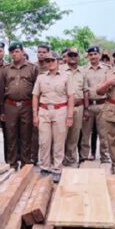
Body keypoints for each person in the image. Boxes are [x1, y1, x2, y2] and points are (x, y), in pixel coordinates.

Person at [33, 52, 74, 182]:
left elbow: (71, 97)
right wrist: (35, 114)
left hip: (60, 110)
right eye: (47, 61)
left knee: (59, 142)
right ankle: (45, 167)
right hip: (44, 110)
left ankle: (57, 169)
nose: (50, 63)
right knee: (44, 141)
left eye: (52, 60)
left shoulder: (66, 77)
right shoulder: (41, 78)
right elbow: (35, 96)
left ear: (58, 61)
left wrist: (70, 116)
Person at [0, 41, 38, 168]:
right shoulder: (6, 69)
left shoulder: (32, 68)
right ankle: (12, 162)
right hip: (10, 105)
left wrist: (35, 110)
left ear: (22, 52)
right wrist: (1, 111)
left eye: (17, 51)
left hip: (27, 105)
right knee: (11, 135)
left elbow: (37, 90)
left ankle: (26, 162)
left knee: (26, 135)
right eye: (12, 52)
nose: (15, 54)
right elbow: (0, 91)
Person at [81, 46, 111, 162]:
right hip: (88, 105)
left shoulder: (107, 70)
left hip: (102, 104)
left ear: (99, 55)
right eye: (91, 54)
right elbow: (84, 90)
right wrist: (86, 108)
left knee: (104, 133)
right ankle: (84, 156)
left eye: (95, 54)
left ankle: (105, 156)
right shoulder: (83, 70)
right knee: (86, 133)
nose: (93, 56)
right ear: (88, 56)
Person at [60, 47, 87, 167]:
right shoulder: (60, 70)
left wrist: (86, 109)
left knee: (74, 135)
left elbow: (85, 91)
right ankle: (59, 160)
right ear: (66, 57)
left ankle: (71, 160)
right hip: (63, 107)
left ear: (78, 57)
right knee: (61, 134)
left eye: (74, 55)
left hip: (78, 107)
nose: (72, 57)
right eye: (70, 55)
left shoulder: (83, 72)